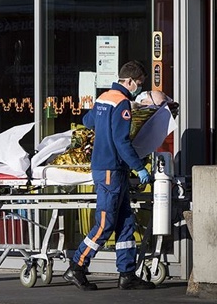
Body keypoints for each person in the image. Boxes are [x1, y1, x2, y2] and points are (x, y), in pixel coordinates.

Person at [63, 60, 156, 291]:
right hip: (111, 170)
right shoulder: (122, 102)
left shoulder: (104, 97)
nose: (139, 89)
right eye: (140, 84)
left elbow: (87, 121)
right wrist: (139, 167)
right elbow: (121, 141)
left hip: (107, 168)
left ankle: (127, 274)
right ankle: (77, 267)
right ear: (130, 81)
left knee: (126, 221)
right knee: (105, 224)